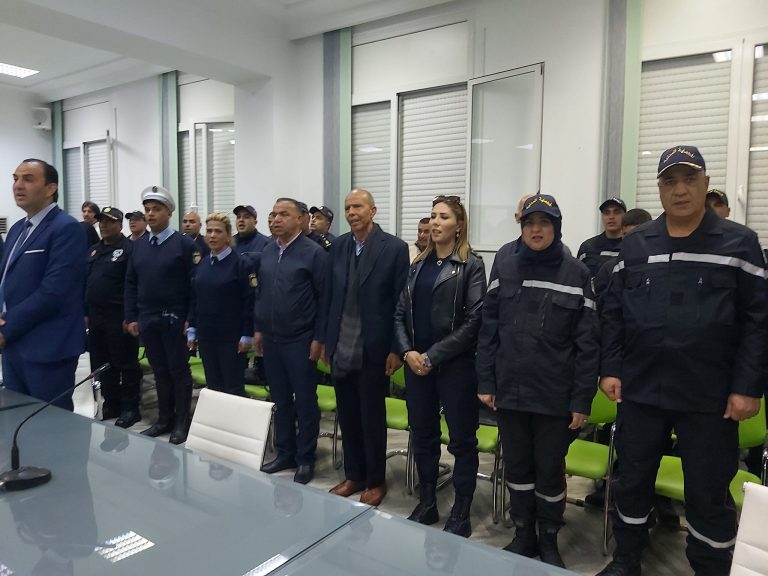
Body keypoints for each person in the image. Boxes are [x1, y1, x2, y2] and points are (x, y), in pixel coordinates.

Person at [597, 146, 768, 576]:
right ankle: (626, 559)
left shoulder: (739, 243)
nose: (680, 190)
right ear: (659, 189)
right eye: (670, 181)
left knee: (708, 492)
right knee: (631, 480)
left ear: (705, 185)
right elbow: (613, 312)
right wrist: (611, 368)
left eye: (690, 179)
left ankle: (709, 568)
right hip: (642, 388)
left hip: (709, 395)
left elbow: (758, 321)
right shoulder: (636, 243)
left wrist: (747, 387)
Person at [476, 194, 598, 569]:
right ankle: (523, 534)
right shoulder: (505, 266)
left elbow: (588, 344)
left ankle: (548, 538)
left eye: (544, 223)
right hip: (510, 391)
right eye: (529, 223)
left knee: (549, 472)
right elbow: (489, 328)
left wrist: (581, 400)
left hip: (554, 396)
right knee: (517, 469)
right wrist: (486, 381)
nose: (536, 230)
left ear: (556, 228)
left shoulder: (577, 274)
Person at [394, 195, 486, 537]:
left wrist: (432, 356)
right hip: (416, 366)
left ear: (458, 225)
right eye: (433, 216)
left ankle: (461, 509)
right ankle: (428, 500)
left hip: (454, 367)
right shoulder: (418, 263)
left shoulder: (471, 265)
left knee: (462, 440)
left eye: (443, 217)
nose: (435, 222)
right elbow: (399, 314)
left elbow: (475, 321)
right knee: (423, 435)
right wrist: (407, 352)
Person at [324, 188, 409, 506]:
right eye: (347, 207)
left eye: (358, 206)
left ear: (372, 211)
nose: (352, 212)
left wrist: (396, 349)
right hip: (342, 345)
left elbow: (401, 303)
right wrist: (326, 341)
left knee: (371, 418)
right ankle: (354, 475)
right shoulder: (339, 246)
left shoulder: (394, 248)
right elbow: (330, 297)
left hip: (374, 348)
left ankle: (375, 480)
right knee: (347, 416)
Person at [0, 159, 87, 410]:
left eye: (28, 179)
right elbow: (6, 281)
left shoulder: (66, 228)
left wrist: (6, 328)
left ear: (51, 188)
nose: (18, 185)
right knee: (17, 419)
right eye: (15, 178)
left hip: (48, 347)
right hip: (14, 346)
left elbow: (54, 292)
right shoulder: (17, 229)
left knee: (49, 423)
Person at [255, 198, 327, 485]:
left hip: (301, 340)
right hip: (271, 339)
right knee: (281, 399)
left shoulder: (314, 253)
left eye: (283, 214)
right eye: (273, 214)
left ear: (300, 219)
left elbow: (324, 299)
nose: (276, 219)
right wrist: (258, 328)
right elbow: (260, 293)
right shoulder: (268, 250)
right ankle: (285, 452)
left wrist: (319, 338)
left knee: (305, 402)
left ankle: (306, 458)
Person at [125, 185, 199, 444]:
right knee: (159, 371)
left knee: (178, 371)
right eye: (147, 209)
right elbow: (131, 282)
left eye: (156, 209)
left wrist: (191, 319)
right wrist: (131, 316)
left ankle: (181, 422)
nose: (150, 214)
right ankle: (163, 418)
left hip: (175, 319)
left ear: (169, 212)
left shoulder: (184, 244)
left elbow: (195, 285)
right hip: (148, 318)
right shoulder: (140, 245)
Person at [86, 206, 142, 428]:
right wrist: (85, 313)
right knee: (102, 363)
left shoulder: (130, 249)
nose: (104, 225)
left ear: (119, 224)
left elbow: (134, 285)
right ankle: (111, 403)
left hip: (118, 315)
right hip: (96, 316)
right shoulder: (94, 250)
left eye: (109, 222)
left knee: (125, 363)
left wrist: (130, 316)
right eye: (101, 221)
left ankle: (130, 408)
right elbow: (87, 283)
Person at [187, 213, 254, 396]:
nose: (212, 235)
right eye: (209, 231)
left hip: (231, 338)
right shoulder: (202, 264)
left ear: (228, 235)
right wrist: (192, 327)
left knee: (232, 388)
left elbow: (250, 301)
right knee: (213, 386)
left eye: (218, 231)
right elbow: (195, 298)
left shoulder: (241, 264)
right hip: (207, 336)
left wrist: (247, 334)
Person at [593, 208, 653, 304]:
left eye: (636, 234)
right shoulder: (610, 269)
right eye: (626, 235)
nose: (631, 240)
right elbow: (602, 306)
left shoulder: (660, 264)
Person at [577, 197, 626, 278]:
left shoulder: (631, 247)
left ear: (625, 216)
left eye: (617, 212)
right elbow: (578, 278)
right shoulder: (587, 248)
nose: (611, 217)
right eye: (606, 213)